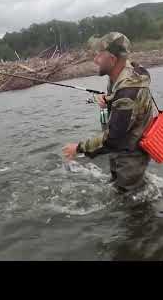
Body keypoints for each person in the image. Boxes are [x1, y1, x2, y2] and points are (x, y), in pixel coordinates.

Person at [62, 32, 156, 196]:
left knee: (132, 206)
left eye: (99, 55)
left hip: (130, 157)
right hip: (122, 149)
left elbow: (113, 137)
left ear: (112, 59)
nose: (95, 60)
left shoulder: (127, 92)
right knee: (117, 191)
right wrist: (111, 99)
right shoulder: (126, 71)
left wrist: (78, 148)